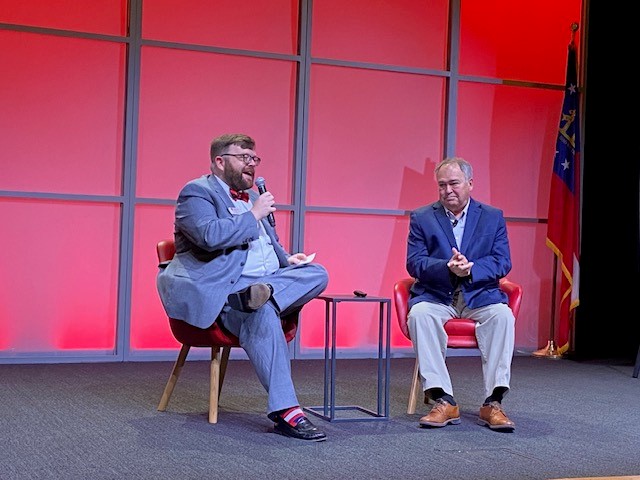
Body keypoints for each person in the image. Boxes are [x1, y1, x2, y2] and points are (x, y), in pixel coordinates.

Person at [157, 133, 329, 442]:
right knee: (261, 314)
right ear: (220, 161)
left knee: (317, 273)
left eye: (254, 158)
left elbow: (269, 244)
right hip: (222, 293)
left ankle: (264, 295)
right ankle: (287, 411)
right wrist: (253, 215)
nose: (251, 164)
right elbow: (208, 236)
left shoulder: (252, 198)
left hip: (261, 288)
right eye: (243, 157)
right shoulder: (196, 193)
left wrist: (288, 260)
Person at [405, 156, 516, 431]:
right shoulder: (422, 217)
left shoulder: (492, 217)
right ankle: (443, 400)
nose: (447, 191)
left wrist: (471, 269)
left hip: (479, 294)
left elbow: (502, 262)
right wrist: (447, 267)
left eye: (454, 183)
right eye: (441, 185)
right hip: (437, 294)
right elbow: (414, 262)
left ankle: (493, 403)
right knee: (419, 314)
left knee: (502, 316)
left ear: (470, 183)